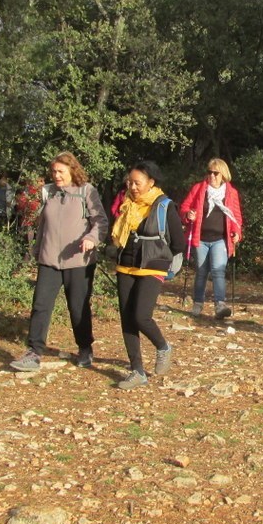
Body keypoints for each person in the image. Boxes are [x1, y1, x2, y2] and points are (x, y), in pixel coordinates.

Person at [10, 153, 108, 373]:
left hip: (79, 261)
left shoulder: (86, 191)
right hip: (49, 259)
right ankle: (34, 353)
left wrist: (91, 239)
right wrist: (36, 249)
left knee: (78, 308)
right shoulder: (48, 192)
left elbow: (100, 222)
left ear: (73, 170)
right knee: (40, 306)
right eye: (53, 171)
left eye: (60, 171)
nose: (56, 175)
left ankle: (85, 348)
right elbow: (43, 224)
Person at [111, 160, 186, 390]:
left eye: (137, 183)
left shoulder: (164, 206)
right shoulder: (125, 204)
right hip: (125, 266)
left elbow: (178, 242)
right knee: (127, 318)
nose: (132, 187)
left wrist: (160, 259)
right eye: (129, 182)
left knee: (141, 315)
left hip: (153, 266)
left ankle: (163, 346)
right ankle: (137, 371)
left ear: (151, 182)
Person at [179, 158, 244, 320]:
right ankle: (198, 303)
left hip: (221, 239)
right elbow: (184, 207)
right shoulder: (199, 189)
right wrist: (188, 215)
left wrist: (236, 232)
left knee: (218, 271)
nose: (212, 176)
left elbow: (236, 217)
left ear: (223, 174)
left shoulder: (231, 193)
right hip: (200, 238)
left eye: (215, 173)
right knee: (201, 271)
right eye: (209, 172)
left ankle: (220, 305)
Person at [14, 176, 45, 262]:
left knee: (36, 244)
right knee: (29, 245)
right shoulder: (29, 192)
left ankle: (31, 263)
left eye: (43, 181)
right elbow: (21, 205)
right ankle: (27, 264)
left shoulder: (43, 193)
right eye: (41, 181)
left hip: (40, 222)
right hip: (28, 222)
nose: (43, 183)